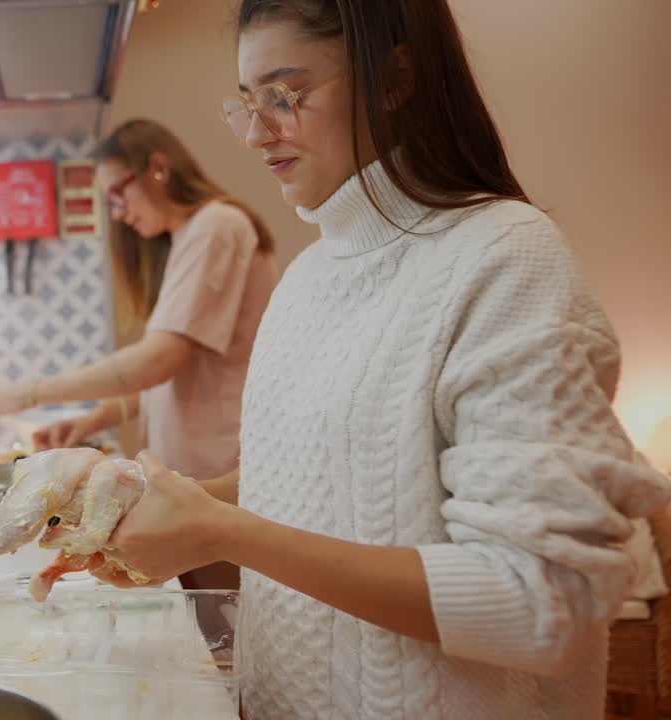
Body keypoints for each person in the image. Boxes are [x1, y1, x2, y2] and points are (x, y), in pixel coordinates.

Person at [91, 1, 671, 718]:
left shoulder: (503, 261)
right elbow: (314, 473)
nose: (254, 133)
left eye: (284, 95)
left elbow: (538, 601)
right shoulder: (309, 277)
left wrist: (219, 532)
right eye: (247, 102)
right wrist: (178, 502)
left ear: (394, 77)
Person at [0, 118, 277, 590]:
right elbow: (173, 376)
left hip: (220, 470)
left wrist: (30, 393)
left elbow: (160, 360)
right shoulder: (185, 240)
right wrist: (93, 421)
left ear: (157, 167)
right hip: (194, 473)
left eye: (118, 192)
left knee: (226, 626)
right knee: (211, 628)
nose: (115, 212)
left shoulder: (216, 226)